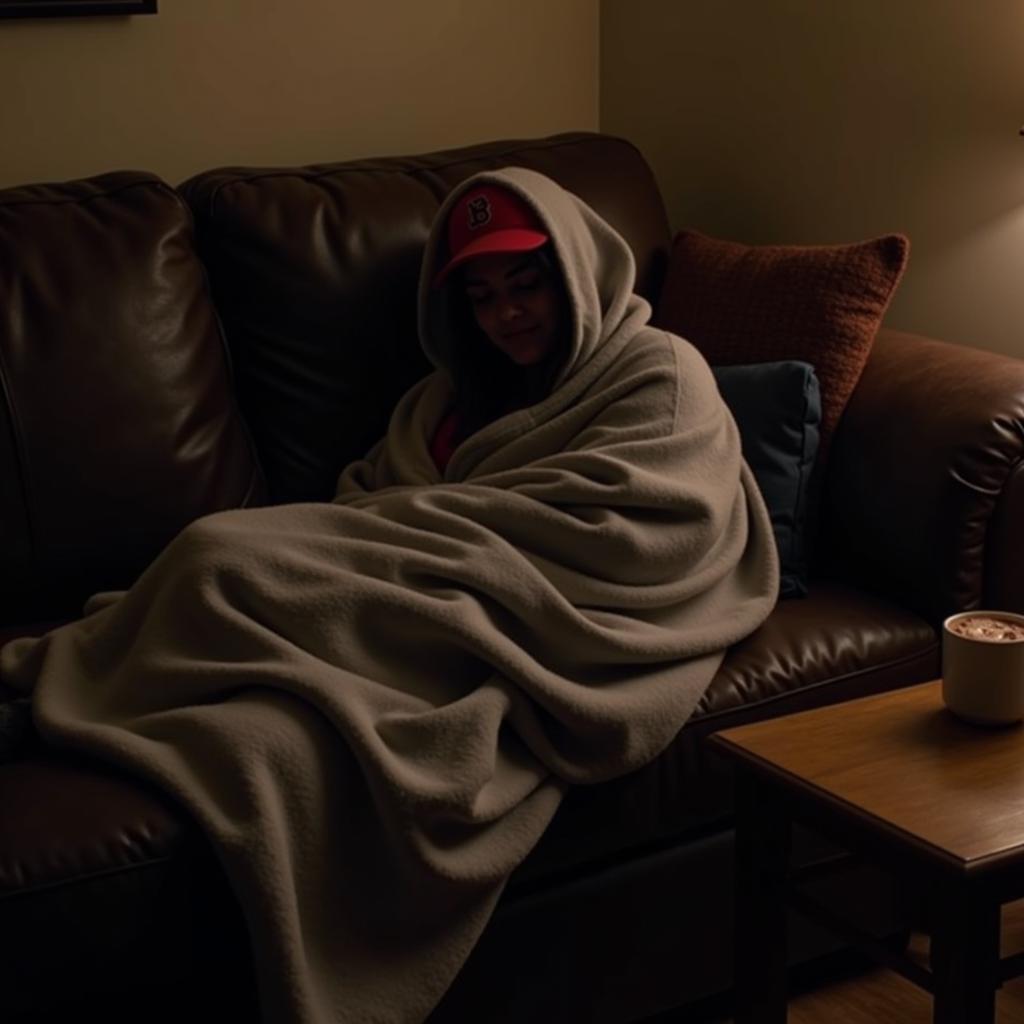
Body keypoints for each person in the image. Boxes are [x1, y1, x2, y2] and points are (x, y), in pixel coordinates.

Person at [1, 168, 779, 1024]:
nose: (507, 315)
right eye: (481, 297)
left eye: (527, 285)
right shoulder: (447, 398)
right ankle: (74, 688)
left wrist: (399, 548)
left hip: (547, 609)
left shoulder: (657, 371)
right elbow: (373, 499)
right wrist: (380, 546)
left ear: (579, 271)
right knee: (225, 569)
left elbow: (640, 528)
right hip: (430, 588)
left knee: (220, 561)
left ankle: (55, 694)